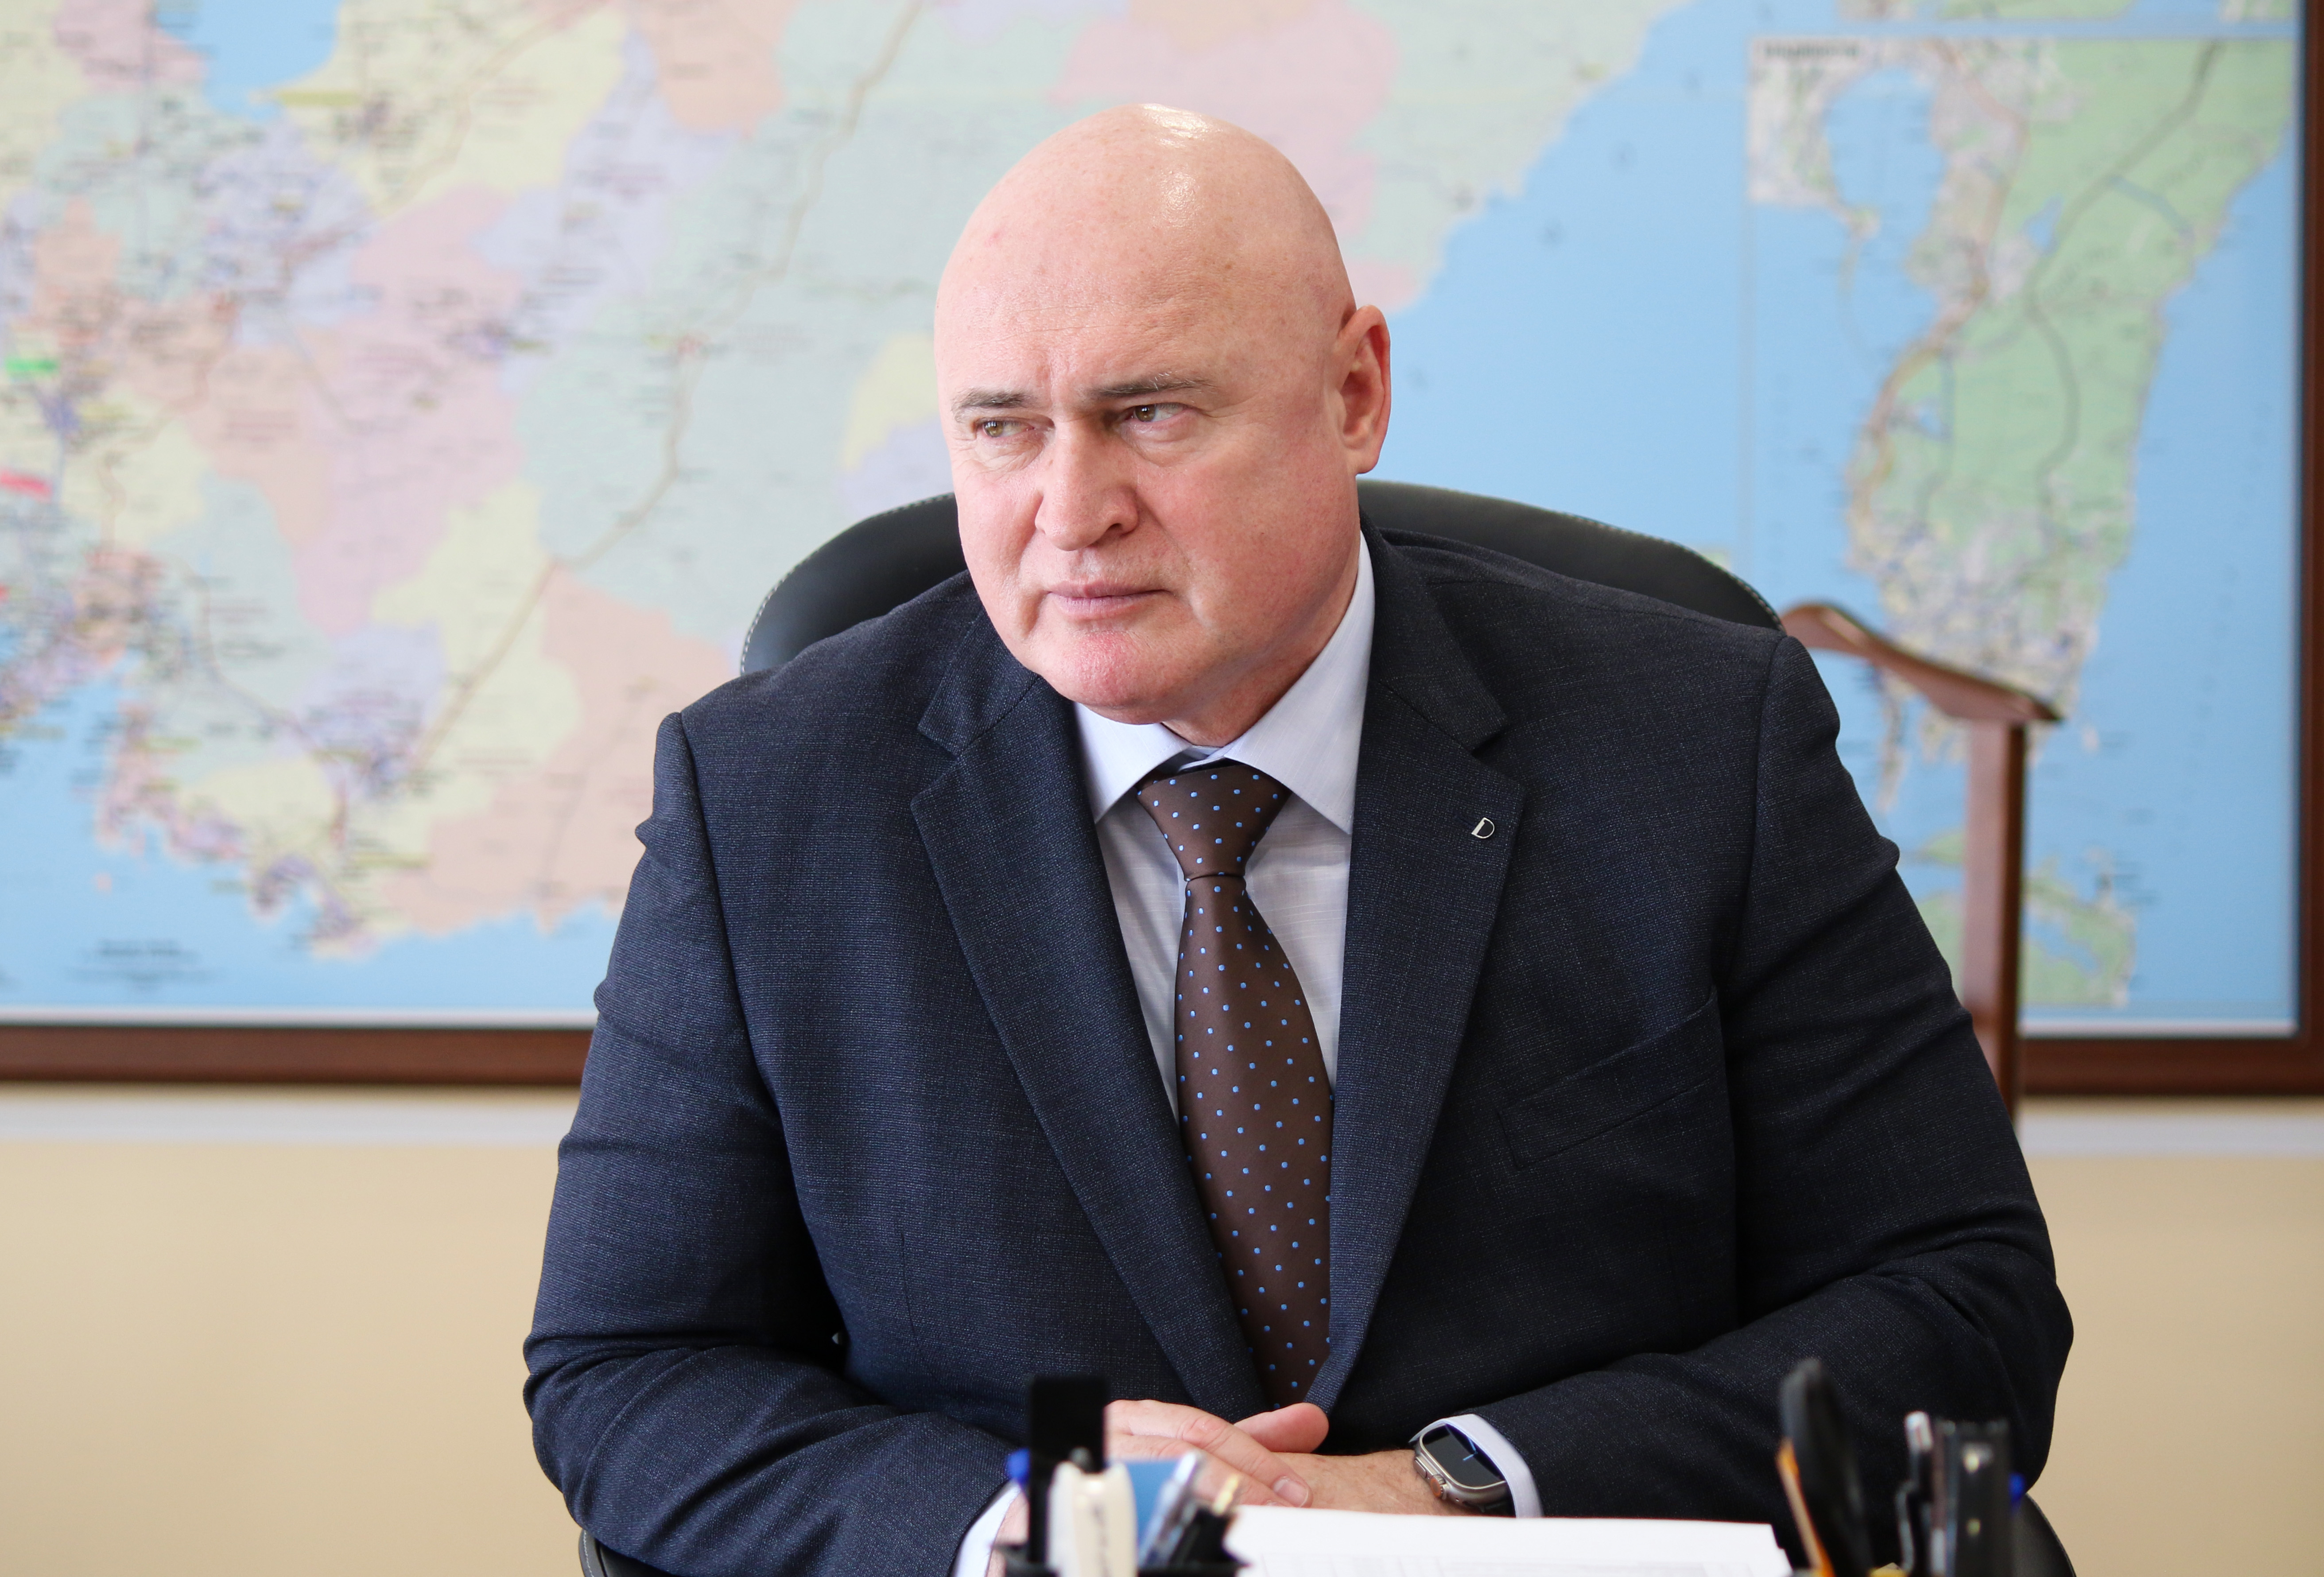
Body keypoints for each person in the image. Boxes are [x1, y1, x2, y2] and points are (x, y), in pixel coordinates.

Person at [526, 105, 2070, 1576]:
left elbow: (1962, 1306)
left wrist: (1453, 1490)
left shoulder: (1696, 742)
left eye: (1150, 414)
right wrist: (1020, 1524)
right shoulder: (766, 799)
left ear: (1353, 394)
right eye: (1003, 429)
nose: (1070, 510)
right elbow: (629, 1372)